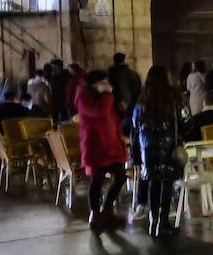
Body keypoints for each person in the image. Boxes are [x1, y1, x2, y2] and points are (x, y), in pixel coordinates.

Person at [133, 66, 189, 239]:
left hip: (147, 151)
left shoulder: (142, 102)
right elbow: (187, 122)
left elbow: (134, 126)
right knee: (166, 186)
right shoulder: (174, 99)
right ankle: (162, 223)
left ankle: (153, 221)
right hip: (169, 148)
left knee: (154, 184)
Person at [76, 71, 129, 231]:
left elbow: (110, 117)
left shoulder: (102, 97)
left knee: (120, 177)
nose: (107, 85)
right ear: (95, 84)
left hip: (111, 145)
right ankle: (95, 214)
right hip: (96, 146)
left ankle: (107, 209)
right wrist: (107, 95)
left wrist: (120, 109)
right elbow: (100, 113)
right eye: (104, 82)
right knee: (97, 181)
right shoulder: (84, 97)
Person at [107, 52, 143, 117]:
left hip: (114, 109)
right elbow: (138, 91)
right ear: (124, 60)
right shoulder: (133, 74)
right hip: (131, 108)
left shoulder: (109, 75)